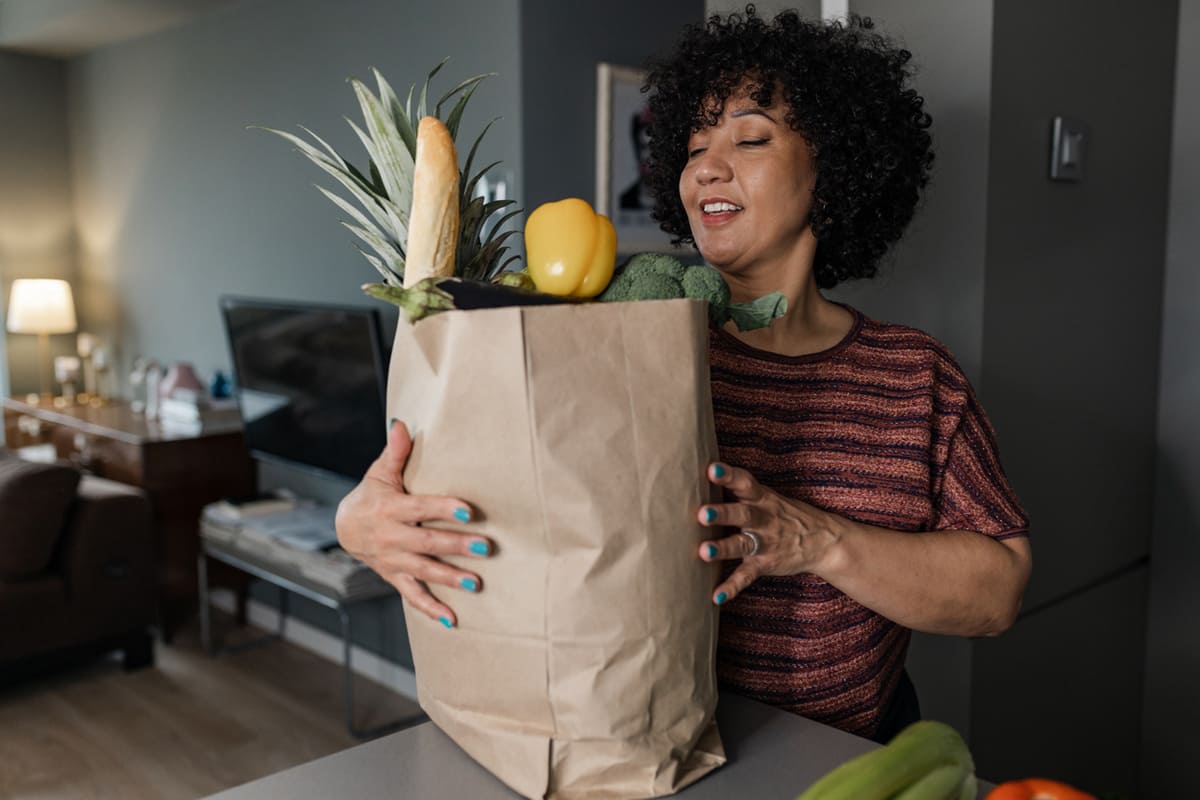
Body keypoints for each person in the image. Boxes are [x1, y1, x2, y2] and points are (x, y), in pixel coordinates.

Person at [335, 7, 1031, 744]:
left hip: (846, 762)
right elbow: (489, 482)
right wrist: (360, 523)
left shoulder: (915, 375)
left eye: (751, 138)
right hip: (635, 746)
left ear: (834, 169)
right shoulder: (612, 340)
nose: (706, 166)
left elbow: (999, 590)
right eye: (694, 146)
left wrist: (821, 542)